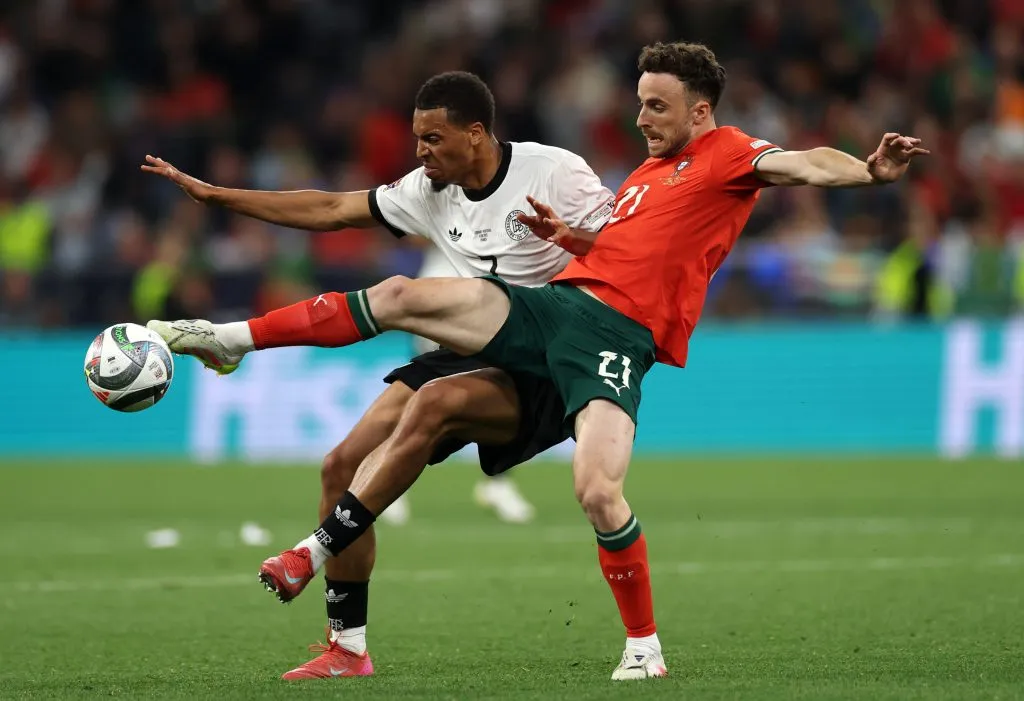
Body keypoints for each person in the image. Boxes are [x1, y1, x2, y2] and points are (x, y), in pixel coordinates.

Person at [149, 41, 929, 681]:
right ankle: (232, 345)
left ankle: (644, 646)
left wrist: (865, 170)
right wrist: (572, 240)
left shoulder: (721, 153)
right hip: (552, 308)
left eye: (657, 106)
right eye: (640, 103)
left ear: (700, 110)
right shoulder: (640, 178)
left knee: (596, 490)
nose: (641, 118)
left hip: (611, 341)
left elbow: (799, 162)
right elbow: (620, 248)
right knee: (396, 304)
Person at [142, 71, 614, 680]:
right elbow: (331, 207)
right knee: (340, 466)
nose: (420, 151)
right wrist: (218, 197)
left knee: (422, 370)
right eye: (417, 138)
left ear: (475, 134)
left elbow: (627, 246)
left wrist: (574, 241)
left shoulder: (555, 172)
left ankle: (237, 355)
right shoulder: (428, 189)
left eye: (433, 138)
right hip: (476, 343)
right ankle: (347, 649)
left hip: (550, 357)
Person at [379, 245, 537, 527]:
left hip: (488, 290)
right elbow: (414, 234)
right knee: (420, 397)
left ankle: (498, 483)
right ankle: (387, 482)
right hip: (442, 287)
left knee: (503, 391)